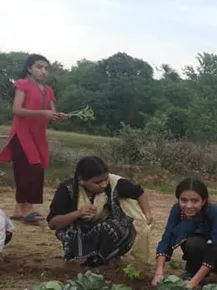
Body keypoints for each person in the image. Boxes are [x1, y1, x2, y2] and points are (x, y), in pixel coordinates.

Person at [0, 54, 65, 224]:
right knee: (28, 169)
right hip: (22, 134)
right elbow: (17, 110)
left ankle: (19, 209)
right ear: (29, 68)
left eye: (45, 68)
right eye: (39, 67)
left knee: (37, 170)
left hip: (38, 136)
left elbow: (52, 113)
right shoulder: (22, 85)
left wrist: (59, 116)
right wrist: (43, 113)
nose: (44, 71)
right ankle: (26, 209)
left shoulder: (48, 90)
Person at [46, 156, 139, 267]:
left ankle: (107, 258)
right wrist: (78, 213)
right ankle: (82, 259)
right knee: (76, 227)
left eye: (105, 180)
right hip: (81, 236)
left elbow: (138, 191)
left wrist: (147, 215)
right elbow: (53, 223)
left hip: (108, 235)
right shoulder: (67, 189)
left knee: (116, 225)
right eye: (97, 182)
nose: (104, 184)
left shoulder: (113, 184)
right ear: (81, 180)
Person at [153, 178, 217, 289]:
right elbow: (167, 238)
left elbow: (215, 248)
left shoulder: (215, 212)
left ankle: (205, 274)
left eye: (195, 201)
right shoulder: (177, 210)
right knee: (187, 235)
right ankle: (193, 269)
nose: (189, 206)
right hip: (198, 251)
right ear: (178, 199)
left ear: (203, 201)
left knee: (194, 243)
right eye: (184, 200)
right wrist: (159, 273)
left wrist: (194, 282)